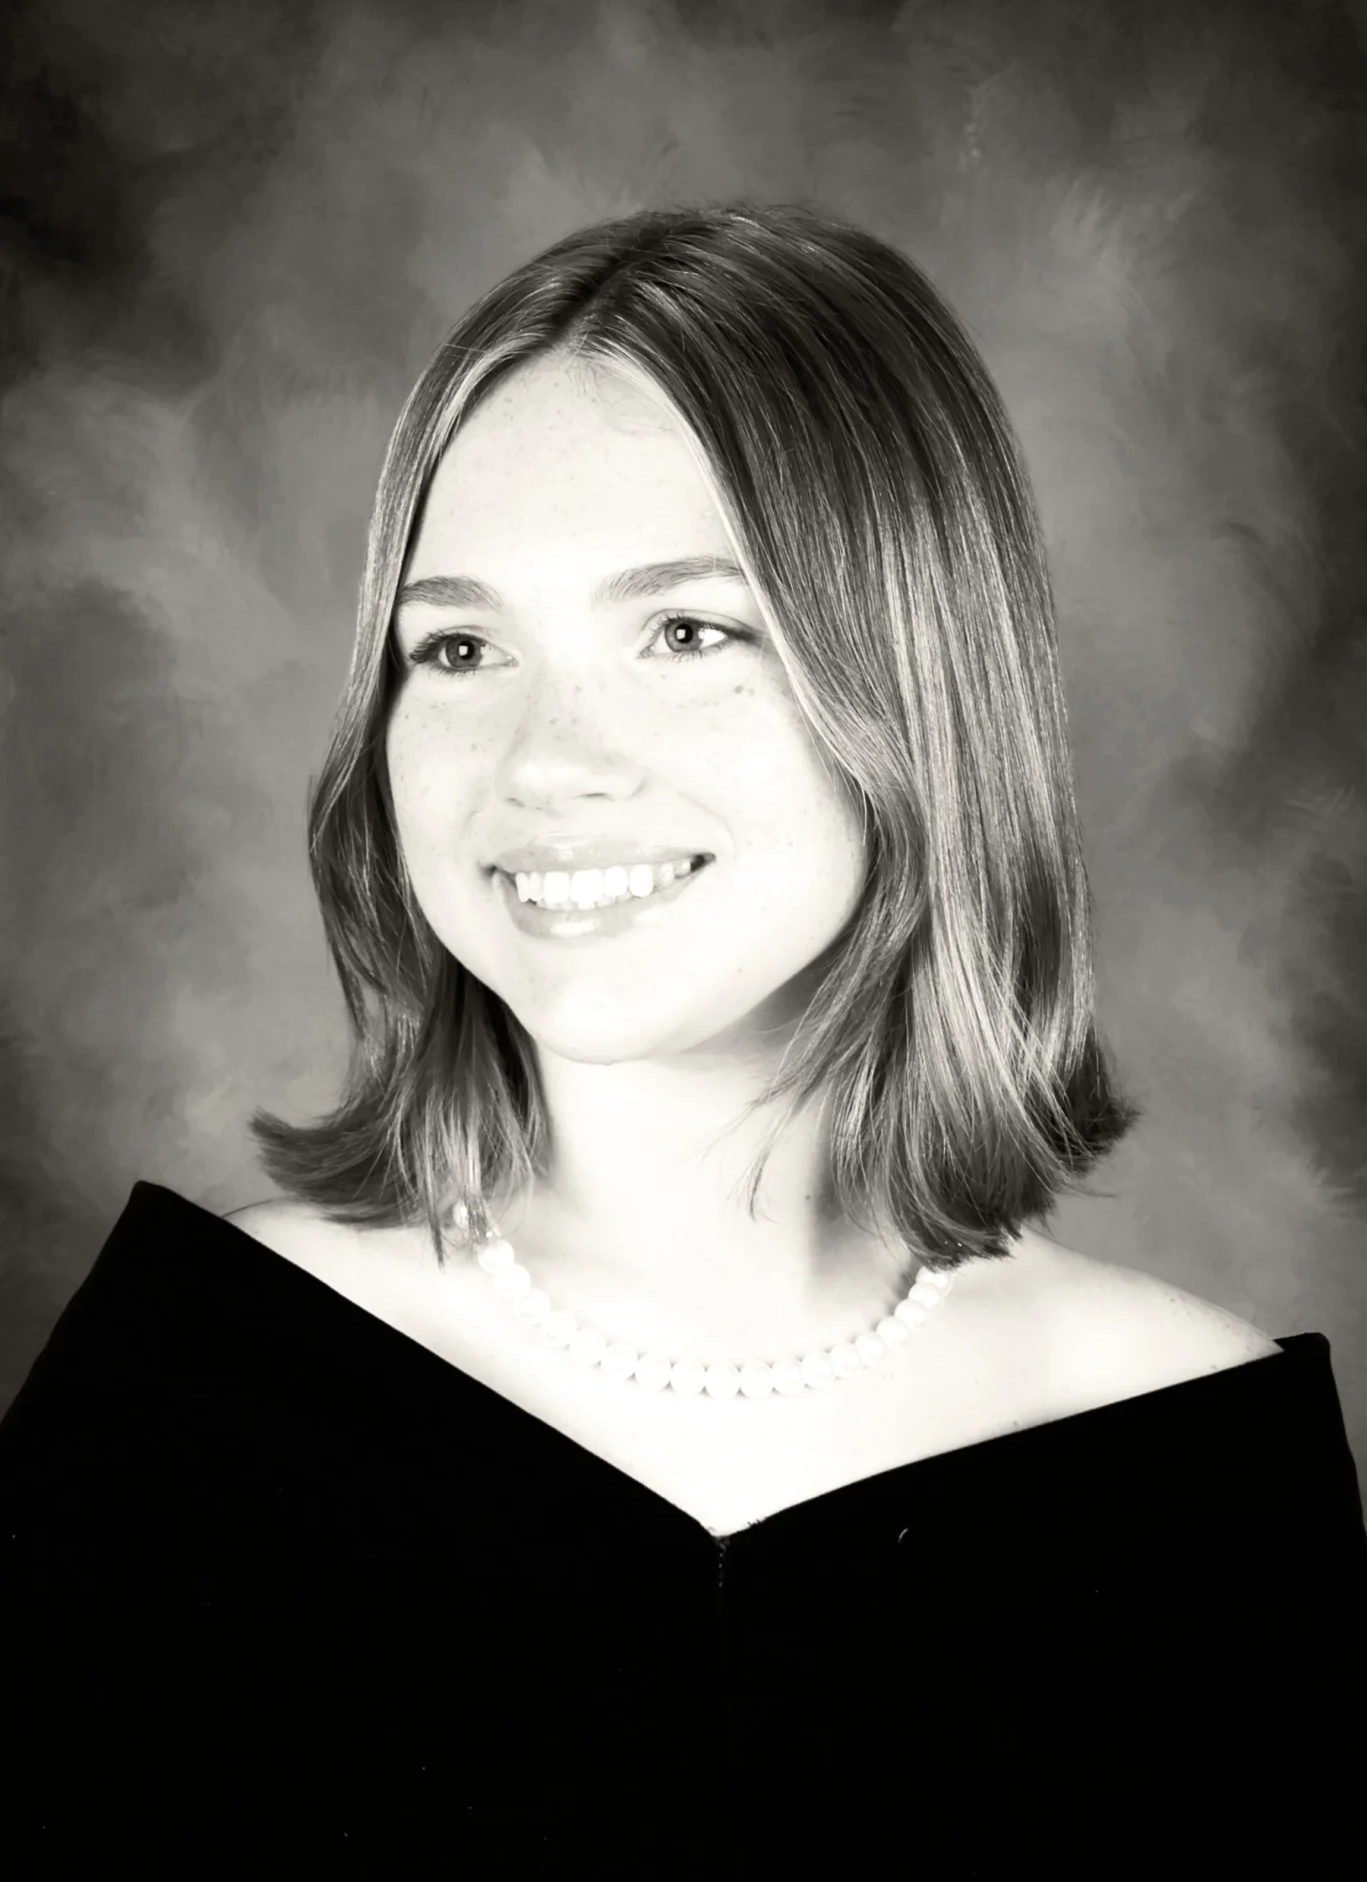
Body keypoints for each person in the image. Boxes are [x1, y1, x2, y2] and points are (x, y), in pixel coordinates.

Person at [1, 200, 1363, 1876]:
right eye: (460, 648)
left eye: (687, 632)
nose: (545, 760)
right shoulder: (194, 1387)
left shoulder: (1201, 1457)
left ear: (921, 684)